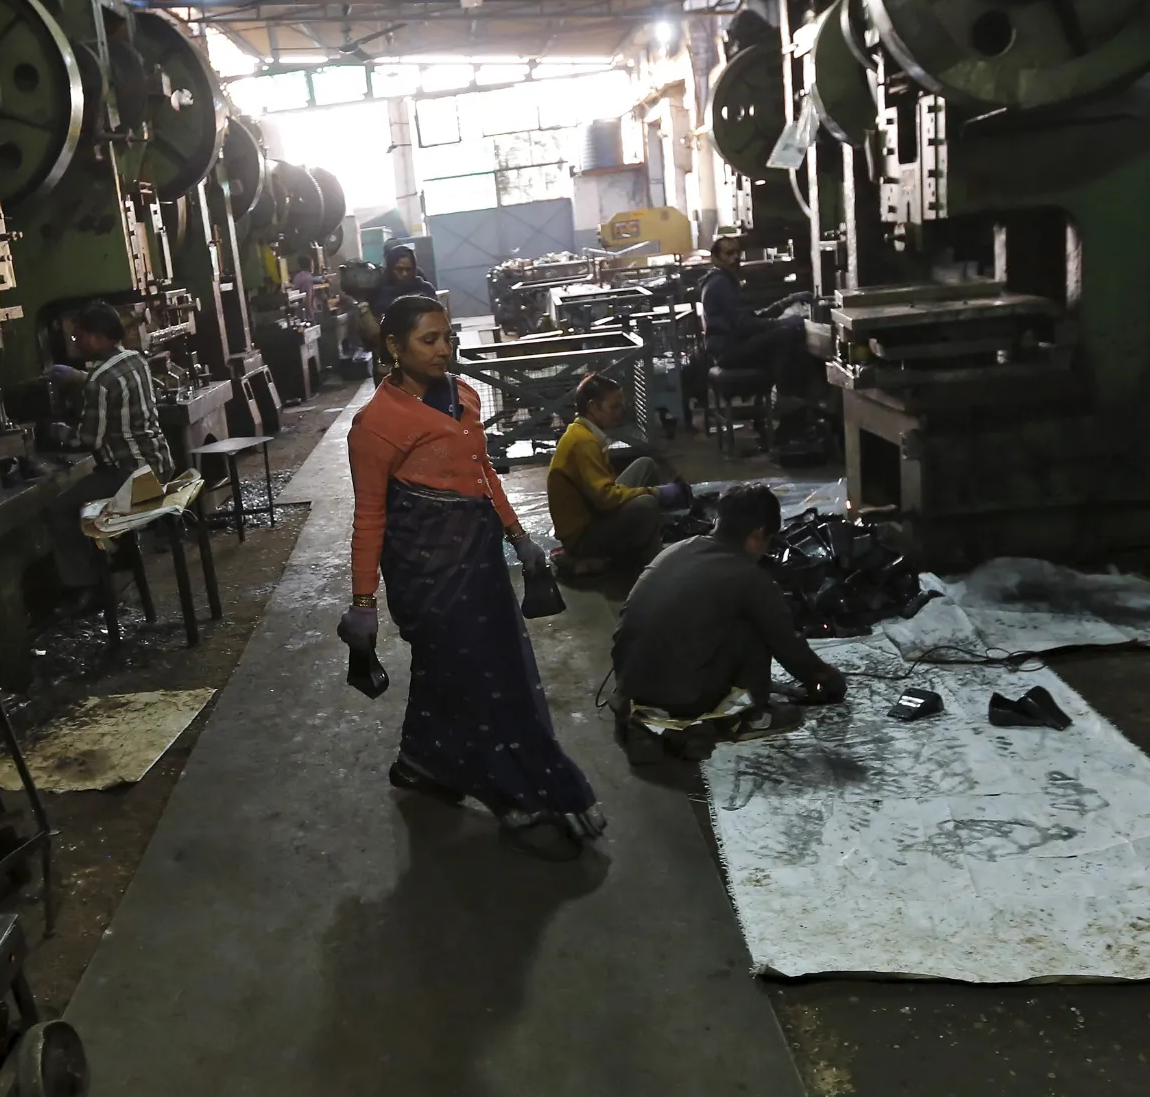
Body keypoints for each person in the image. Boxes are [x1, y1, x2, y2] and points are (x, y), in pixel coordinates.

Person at [340, 294, 605, 856]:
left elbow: (482, 471)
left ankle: (421, 763)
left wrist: (518, 536)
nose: (443, 350)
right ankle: (513, 793)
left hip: (479, 555)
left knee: (472, 669)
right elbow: (369, 515)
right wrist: (363, 602)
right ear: (394, 347)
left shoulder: (463, 397)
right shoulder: (375, 425)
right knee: (479, 680)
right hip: (426, 570)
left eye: (448, 337)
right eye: (428, 340)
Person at [613, 482, 848, 726]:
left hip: (628, 687)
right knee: (753, 626)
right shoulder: (749, 578)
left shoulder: (678, 549)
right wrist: (826, 678)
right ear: (758, 534)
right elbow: (789, 648)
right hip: (677, 702)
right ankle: (754, 714)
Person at [50, 300, 174, 593]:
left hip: (132, 479)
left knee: (59, 509)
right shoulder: (136, 359)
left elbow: (88, 440)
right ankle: (118, 554)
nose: (76, 343)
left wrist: (57, 432)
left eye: (78, 336)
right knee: (89, 492)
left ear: (95, 337)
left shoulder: (99, 382)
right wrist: (83, 379)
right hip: (160, 465)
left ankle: (88, 586)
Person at [547, 373, 687, 572]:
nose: (620, 412)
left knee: (645, 465)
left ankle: (646, 539)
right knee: (647, 503)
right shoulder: (583, 441)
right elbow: (606, 499)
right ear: (593, 406)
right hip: (581, 539)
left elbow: (603, 493)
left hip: (592, 515)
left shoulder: (583, 432)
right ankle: (644, 560)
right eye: (614, 406)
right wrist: (655, 492)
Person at [699, 235, 812, 411]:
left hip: (732, 346)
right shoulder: (720, 284)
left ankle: (788, 412)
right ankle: (785, 396)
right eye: (729, 253)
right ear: (715, 258)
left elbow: (752, 319)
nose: (735, 257)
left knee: (786, 332)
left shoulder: (726, 281)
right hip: (728, 352)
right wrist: (782, 323)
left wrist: (788, 301)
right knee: (787, 334)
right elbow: (745, 325)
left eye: (737, 253)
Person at [367, 243, 436, 321]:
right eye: (399, 269)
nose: (404, 274)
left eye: (408, 269)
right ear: (390, 268)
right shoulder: (380, 292)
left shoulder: (425, 288)